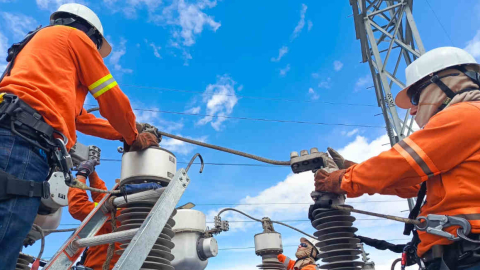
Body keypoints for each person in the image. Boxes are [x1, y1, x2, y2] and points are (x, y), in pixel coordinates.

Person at [0, 3, 158, 269]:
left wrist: (124, 135)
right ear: (91, 35)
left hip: (13, 131)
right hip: (25, 140)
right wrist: (133, 134)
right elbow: (109, 95)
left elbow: (80, 118)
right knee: (5, 236)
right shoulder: (75, 37)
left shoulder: (39, 48)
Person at [311, 47, 480, 270]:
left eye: (415, 98)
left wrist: (341, 180)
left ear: (444, 83)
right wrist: (354, 170)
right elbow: (413, 183)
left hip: (468, 254)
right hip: (460, 254)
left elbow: (401, 164)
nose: (412, 111)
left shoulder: (466, 115)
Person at [68, 160, 121, 270]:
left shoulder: (118, 211)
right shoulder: (136, 209)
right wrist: (92, 173)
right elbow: (102, 199)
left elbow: (78, 207)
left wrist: (82, 175)